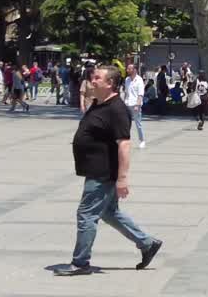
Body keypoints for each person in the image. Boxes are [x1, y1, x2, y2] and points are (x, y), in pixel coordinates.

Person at [55, 66, 162, 276]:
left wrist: (122, 178)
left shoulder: (117, 110)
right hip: (96, 169)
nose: (92, 80)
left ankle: (80, 262)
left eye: (97, 78)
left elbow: (124, 145)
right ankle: (147, 243)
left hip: (103, 172)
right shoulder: (98, 103)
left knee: (86, 214)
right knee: (109, 212)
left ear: (110, 83)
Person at [123, 64, 146, 148]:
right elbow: (126, 92)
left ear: (135, 70)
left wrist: (137, 105)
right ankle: (126, 140)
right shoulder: (127, 79)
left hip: (136, 105)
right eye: (127, 68)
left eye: (129, 69)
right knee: (126, 124)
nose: (127, 70)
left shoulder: (139, 80)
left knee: (138, 124)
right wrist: (123, 103)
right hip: (127, 104)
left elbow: (140, 94)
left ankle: (142, 140)